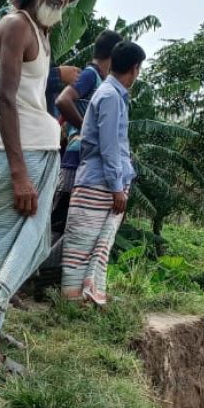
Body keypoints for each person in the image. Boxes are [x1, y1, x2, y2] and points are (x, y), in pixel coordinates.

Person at [0, 0, 92, 377]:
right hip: (18, 157)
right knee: (0, 251)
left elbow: (32, 97)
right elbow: (2, 102)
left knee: (23, 252)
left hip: (39, 151)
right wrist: (20, 175)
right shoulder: (16, 25)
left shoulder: (41, 30)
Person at [61, 41, 144, 305]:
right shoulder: (110, 96)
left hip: (98, 179)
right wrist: (117, 187)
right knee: (85, 244)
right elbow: (109, 146)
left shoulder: (110, 93)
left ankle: (86, 297)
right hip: (100, 183)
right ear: (134, 69)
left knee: (91, 244)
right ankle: (76, 299)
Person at [53, 30, 122, 232]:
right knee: (61, 220)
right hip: (76, 155)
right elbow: (63, 100)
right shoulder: (91, 75)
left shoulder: (102, 81)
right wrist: (87, 128)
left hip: (83, 156)